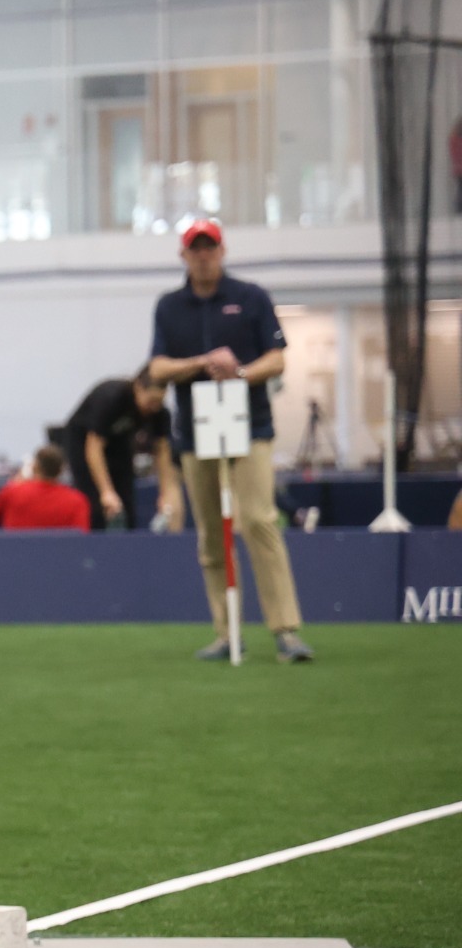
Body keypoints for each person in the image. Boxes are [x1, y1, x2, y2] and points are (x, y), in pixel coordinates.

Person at [148, 219, 313, 663]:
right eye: (195, 248)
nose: (203, 255)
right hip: (195, 433)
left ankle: (286, 631)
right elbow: (158, 367)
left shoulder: (251, 297)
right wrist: (203, 362)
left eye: (211, 247)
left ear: (222, 251)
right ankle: (227, 632)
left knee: (259, 519)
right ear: (184, 255)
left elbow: (277, 359)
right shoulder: (168, 307)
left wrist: (239, 371)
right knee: (211, 535)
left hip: (250, 426)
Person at [62, 365, 183, 532]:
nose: (154, 407)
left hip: (119, 442)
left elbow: (162, 451)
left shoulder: (159, 412)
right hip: (83, 442)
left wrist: (164, 494)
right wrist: (106, 492)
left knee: (125, 503)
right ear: (138, 387)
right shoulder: (112, 398)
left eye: (159, 402)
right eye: (151, 402)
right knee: (98, 504)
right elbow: (94, 447)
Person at [0, 446, 91, 531]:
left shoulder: (12, 492)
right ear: (61, 470)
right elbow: (80, 537)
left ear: (34, 466)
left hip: (14, 558)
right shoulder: (78, 500)